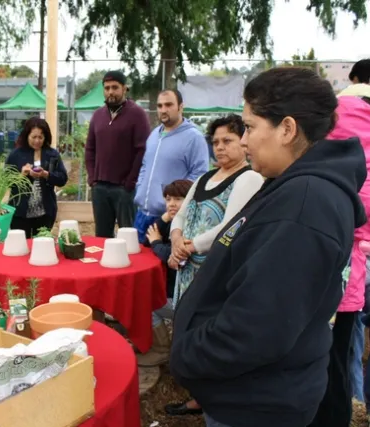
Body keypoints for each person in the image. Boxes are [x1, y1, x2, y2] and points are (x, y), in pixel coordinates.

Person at [170, 67, 367, 427]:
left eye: (249, 126)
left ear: (287, 129)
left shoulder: (305, 205)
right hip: (255, 392)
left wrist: (187, 354)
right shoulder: (289, 186)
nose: (243, 141)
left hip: (256, 404)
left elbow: (258, 326)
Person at [138, 114, 264, 372]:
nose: (219, 147)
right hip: (187, 269)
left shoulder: (248, 178)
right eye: (215, 141)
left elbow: (231, 226)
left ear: (244, 142)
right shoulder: (205, 178)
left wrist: (190, 245)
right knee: (188, 325)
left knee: (208, 329)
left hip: (214, 272)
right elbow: (181, 214)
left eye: (227, 140)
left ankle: (204, 391)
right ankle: (191, 384)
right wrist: (175, 239)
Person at [310, 95, 370, 426]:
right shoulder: (359, 135)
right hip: (348, 283)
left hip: (330, 282)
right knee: (336, 369)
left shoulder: (334, 125)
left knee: (328, 373)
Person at [133, 89, 209, 244]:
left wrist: (175, 204)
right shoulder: (154, 134)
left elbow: (199, 176)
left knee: (161, 265)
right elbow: (145, 166)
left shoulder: (194, 137)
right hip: (141, 215)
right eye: (160, 106)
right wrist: (140, 189)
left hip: (168, 219)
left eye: (168, 105)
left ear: (181, 107)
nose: (163, 110)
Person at [85, 70, 150, 237]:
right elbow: (90, 149)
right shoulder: (98, 115)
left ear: (124, 88)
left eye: (115, 87)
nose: (110, 92)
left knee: (128, 236)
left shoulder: (137, 114)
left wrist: (130, 182)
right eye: (107, 88)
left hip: (124, 190)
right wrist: (92, 179)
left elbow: (141, 150)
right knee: (102, 236)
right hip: (99, 188)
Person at [143, 179, 193, 365]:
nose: (172, 203)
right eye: (168, 199)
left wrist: (157, 242)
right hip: (175, 291)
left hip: (185, 299)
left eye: (178, 199)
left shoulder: (192, 226)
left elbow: (176, 257)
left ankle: (162, 350)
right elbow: (148, 240)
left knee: (145, 303)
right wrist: (164, 219)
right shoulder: (176, 222)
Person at [5, 116, 68, 238]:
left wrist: (46, 174)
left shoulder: (52, 154)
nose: (37, 141)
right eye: (33, 137)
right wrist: (22, 174)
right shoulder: (15, 155)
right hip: (20, 212)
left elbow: (62, 179)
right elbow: (7, 180)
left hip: (45, 212)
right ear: (26, 136)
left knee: (43, 246)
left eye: (41, 137)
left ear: (46, 137)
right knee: (21, 246)